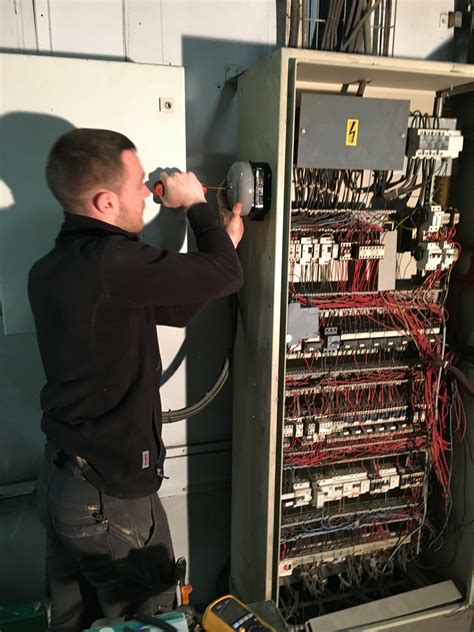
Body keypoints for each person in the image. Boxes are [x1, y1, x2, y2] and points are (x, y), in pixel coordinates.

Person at [28, 128, 244, 631]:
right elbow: (226, 276)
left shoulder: (55, 267)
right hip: (111, 497)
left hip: (64, 484)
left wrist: (224, 245)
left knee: (73, 622)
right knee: (150, 620)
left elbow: (176, 308)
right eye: (138, 184)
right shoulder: (113, 263)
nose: (148, 193)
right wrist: (196, 206)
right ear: (105, 202)